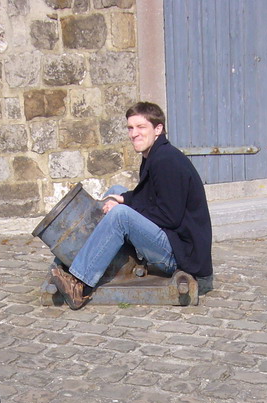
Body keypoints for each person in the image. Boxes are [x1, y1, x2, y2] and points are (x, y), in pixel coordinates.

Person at [50, 102, 213, 309]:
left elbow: (170, 217)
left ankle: (79, 282)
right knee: (115, 192)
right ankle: (96, 255)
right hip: (169, 236)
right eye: (130, 128)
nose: (134, 134)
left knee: (120, 215)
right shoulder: (154, 154)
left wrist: (124, 208)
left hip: (178, 253)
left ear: (158, 129)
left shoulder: (166, 160)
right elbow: (149, 197)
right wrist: (123, 198)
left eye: (141, 127)